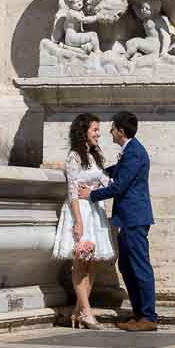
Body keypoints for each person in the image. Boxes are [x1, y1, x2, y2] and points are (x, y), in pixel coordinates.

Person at [78, 111, 157, 332]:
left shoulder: (134, 153)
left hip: (134, 217)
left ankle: (148, 316)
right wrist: (97, 171)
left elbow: (119, 185)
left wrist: (91, 195)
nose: (110, 132)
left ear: (121, 131)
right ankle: (139, 312)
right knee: (126, 266)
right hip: (128, 217)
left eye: (113, 128)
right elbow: (116, 172)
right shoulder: (129, 151)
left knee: (139, 266)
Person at [51, 113, 116, 329]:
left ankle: (78, 311)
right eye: (95, 130)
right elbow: (72, 191)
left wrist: (95, 187)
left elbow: (107, 182)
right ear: (84, 131)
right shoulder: (74, 157)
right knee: (80, 261)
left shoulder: (96, 155)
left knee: (92, 263)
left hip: (95, 211)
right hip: (80, 212)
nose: (99, 134)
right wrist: (78, 222)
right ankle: (87, 312)